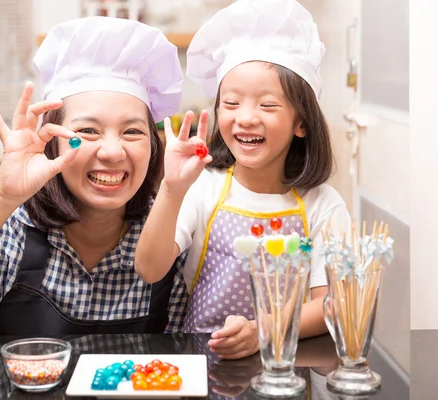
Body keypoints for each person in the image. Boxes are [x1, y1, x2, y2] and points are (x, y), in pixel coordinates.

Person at [0, 16, 188, 342]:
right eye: (87, 131)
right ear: (53, 139)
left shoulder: (174, 230)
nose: (112, 152)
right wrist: (2, 198)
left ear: (154, 146)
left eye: (132, 131)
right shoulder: (13, 223)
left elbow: (192, 349)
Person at [135, 0, 352, 360]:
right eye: (231, 104)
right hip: (202, 364)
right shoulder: (203, 187)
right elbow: (149, 268)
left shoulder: (322, 204)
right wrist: (172, 190)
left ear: (302, 123)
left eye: (268, 105)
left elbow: (333, 302)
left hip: (288, 369)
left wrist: (262, 330)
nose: (246, 118)